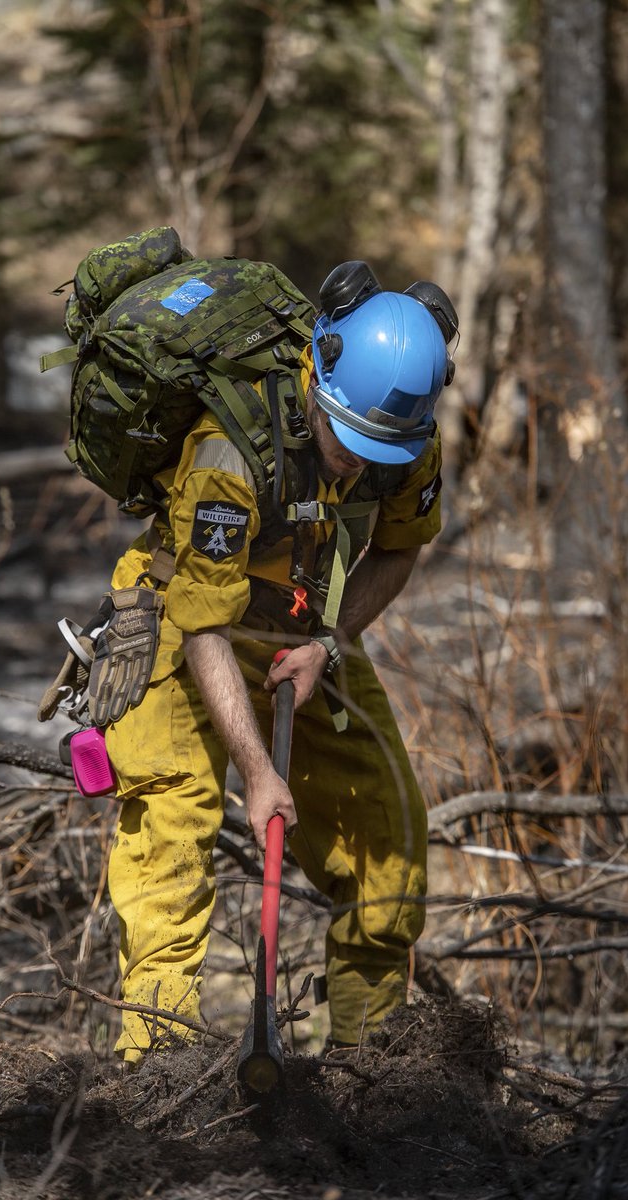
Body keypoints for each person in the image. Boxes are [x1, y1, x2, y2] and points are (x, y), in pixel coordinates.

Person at [101, 264, 454, 1064]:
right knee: (172, 838)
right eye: (344, 442)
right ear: (316, 375)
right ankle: (157, 1073)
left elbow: (398, 549)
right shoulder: (232, 449)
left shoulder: (404, 441)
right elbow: (203, 629)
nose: (357, 465)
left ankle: (371, 1069)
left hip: (302, 627)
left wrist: (329, 646)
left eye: (379, 452)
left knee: (387, 834)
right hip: (182, 615)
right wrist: (260, 772)